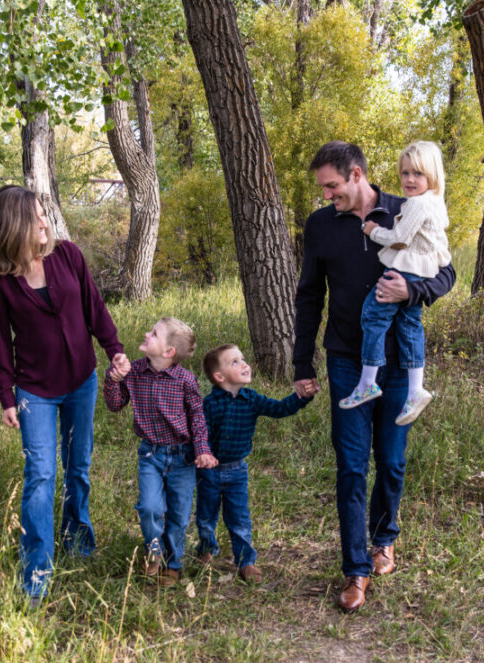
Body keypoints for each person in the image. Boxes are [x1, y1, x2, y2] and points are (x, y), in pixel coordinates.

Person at [293, 141, 456, 612]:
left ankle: (385, 537)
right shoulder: (321, 226)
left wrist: (413, 288)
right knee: (350, 466)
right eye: (323, 188)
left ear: (358, 175)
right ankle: (355, 569)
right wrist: (303, 365)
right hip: (346, 359)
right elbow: (309, 298)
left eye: (333, 186)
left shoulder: (409, 208)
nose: (327, 195)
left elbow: (446, 272)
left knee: (392, 459)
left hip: (400, 363)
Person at [0, 185, 130, 603]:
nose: (45, 220)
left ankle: (77, 538)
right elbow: (1, 342)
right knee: (41, 475)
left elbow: (94, 308)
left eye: (44, 212)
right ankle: (36, 570)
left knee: (78, 465)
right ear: (15, 226)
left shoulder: (69, 256)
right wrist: (6, 396)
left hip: (82, 380)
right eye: (36, 215)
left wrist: (114, 350)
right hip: (35, 392)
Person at [338, 140, 452, 428]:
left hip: (406, 270)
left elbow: (399, 237)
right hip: (420, 270)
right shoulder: (436, 202)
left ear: (433, 175)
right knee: (409, 324)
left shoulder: (416, 203)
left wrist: (373, 231)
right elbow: (439, 246)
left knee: (374, 315)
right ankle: (416, 390)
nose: (410, 180)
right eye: (405, 173)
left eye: (418, 174)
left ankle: (367, 382)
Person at [104, 317, 219, 586]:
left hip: (183, 457)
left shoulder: (185, 380)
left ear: (168, 352)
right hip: (150, 455)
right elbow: (115, 403)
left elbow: (197, 418)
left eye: (154, 333)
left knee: (179, 513)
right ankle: (154, 552)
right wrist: (113, 378)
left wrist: (202, 449)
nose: (146, 333)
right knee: (149, 507)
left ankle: (173, 563)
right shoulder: (133, 372)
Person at [195, 344, 312, 584]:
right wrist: (201, 454)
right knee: (206, 516)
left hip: (237, 471)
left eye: (243, 359)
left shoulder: (252, 399)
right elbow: (199, 435)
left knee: (239, 518)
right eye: (235, 362)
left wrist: (301, 397)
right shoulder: (209, 404)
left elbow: (279, 409)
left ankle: (246, 561)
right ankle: (206, 549)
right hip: (209, 472)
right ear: (219, 377)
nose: (245, 364)